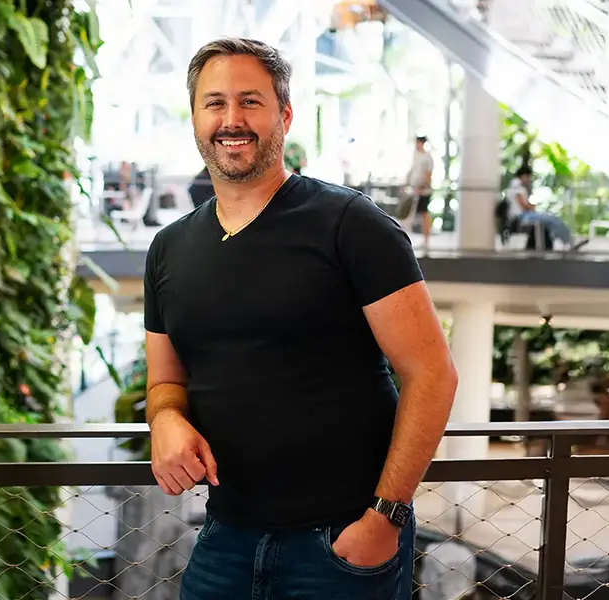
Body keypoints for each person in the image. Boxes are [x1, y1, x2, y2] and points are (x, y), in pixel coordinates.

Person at [143, 37, 458, 599]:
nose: (231, 119)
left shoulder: (349, 224)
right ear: (194, 118)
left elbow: (431, 373)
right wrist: (164, 419)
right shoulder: (168, 249)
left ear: (283, 115)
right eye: (214, 103)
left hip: (342, 543)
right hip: (224, 538)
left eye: (250, 101)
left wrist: (384, 517)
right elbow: (165, 380)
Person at [506, 166, 578, 250]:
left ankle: (567, 241)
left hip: (523, 215)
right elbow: (524, 205)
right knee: (552, 219)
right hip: (521, 216)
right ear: (524, 176)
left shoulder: (516, 186)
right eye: (528, 177)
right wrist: (533, 206)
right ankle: (568, 242)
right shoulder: (517, 185)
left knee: (551, 219)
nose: (529, 180)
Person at [405, 135, 434, 248]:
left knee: (424, 213)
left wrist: (423, 185)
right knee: (412, 214)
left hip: (423, 190)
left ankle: (426, 238)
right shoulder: (415, 156)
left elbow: (428, 174)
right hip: (414, 189)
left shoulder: (427, 158)